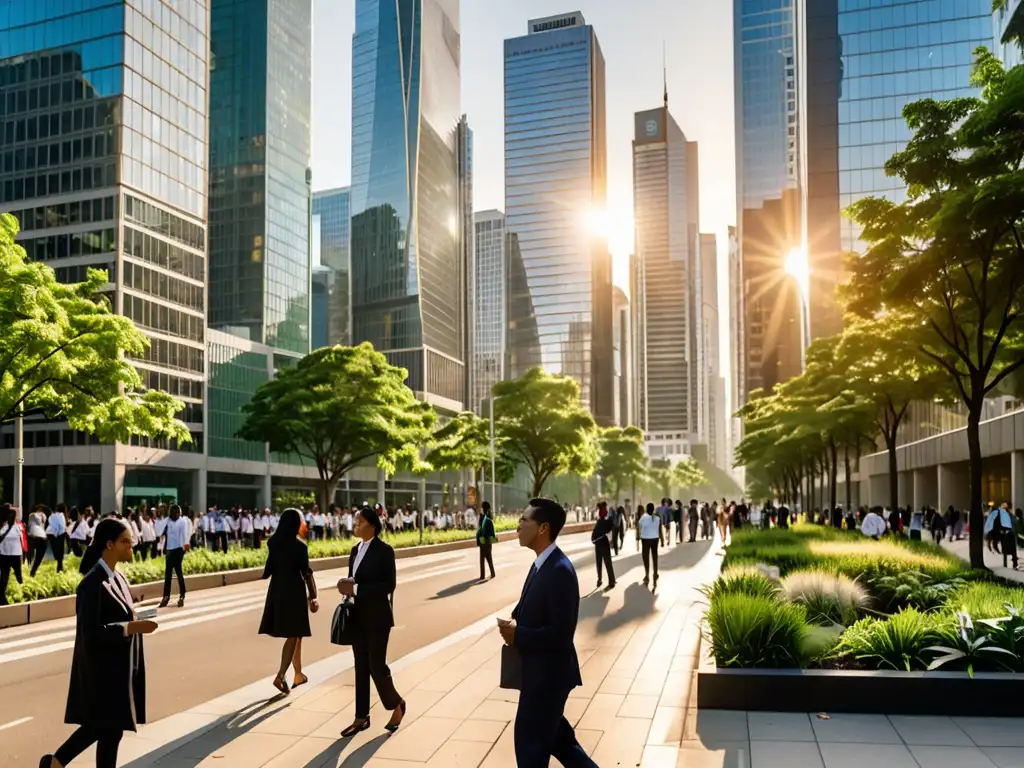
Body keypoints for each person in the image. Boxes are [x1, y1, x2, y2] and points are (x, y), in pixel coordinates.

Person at [40, 518, 158, 768]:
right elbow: (90, 633)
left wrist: (134, 617)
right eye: (125, 542)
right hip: (102, 672)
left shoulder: (119, 578)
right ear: (109, 544)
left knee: (107, 731)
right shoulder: (91, 583)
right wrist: (130, 627)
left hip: (118, 669)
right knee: (105, 729)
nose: (131, 547)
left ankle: (55, 762)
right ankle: (55, 762)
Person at [497, 498, 596, 768]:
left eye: (524, 520)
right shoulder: (541, 564)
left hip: (547, 680)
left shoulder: (559, 570)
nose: (518, 525)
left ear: (543, 528)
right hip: (540, 675)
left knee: (529, 749)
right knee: (560, 742)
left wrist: (520, 636)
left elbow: (561, 634)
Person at [337, 507, 406, 737]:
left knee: (376, 665)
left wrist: (357, 588)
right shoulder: (355, 550)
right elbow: (355, 579)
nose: (355, 524)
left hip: (378, 618)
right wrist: (348, 586)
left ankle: (396, 703)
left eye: (360, 521)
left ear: (372, 526)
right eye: (355, 520)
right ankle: (361, 717)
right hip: (358, 616)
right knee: (360, 667)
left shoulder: (384, 551)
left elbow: (389, 585)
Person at [258, 508, 318, 694]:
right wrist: (313, 596)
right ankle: (281, 674)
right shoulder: (300, 547)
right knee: (295, 633)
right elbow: (306, 573)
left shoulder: (273, 543)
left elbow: (268, 570)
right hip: (294, 592)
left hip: (277, 591)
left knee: (296, 634)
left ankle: (297, 673)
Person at [158, 505, 191, 609]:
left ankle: (182, 595)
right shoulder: (168, 521)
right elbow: (161, 532)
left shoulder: (182, 521)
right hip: (169, 550)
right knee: (168, 575)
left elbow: (185, 535)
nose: (176, 514)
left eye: (177, 512)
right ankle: (166, 596)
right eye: (174, 513)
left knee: (178, 572)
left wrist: (185, 547)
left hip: (178, 550)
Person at [0, 504, 24, 606]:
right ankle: (2, 597)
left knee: (5, 576)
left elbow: (21, 540)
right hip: (5, 554)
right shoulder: (5, 527)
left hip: (10, 554)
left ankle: (2, 597)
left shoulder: (17, 526)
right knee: (5, 576)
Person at [590, 501, 616, 590]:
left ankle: (600, 579)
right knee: (608, 562)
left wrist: (594, 540)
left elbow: (593, 536)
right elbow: (612, 525)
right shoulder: (606, 521)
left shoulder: (599, 522)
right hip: (604, 543)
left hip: (598, 544)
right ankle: (611, 581)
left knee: (599, 563)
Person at [638, 502, 664, 586]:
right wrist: (662, 540)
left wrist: (638, 538)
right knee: (654, 556)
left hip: (645, 539)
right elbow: (660, 530)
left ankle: (647, 575)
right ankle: (655, 573)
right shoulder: (657, 518)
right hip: (655, 539)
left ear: (646, 509)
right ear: (653, 510)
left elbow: (639, 527)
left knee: (646, 558)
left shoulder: (643, 517)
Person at [477, 501, 497, 581]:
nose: (480, 509)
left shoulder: (485, 520)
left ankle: (483, 575)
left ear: (483, 508)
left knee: (484, 559)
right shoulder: (486, 519)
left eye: (481, 507)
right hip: (487, 542)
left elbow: (481, 532)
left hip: (484, 541)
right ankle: (491, 573)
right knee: (488, 558)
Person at [27, 505, 49, 576]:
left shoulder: (43, 516)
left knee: (38, 557)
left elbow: (43, 525)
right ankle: (30, 570)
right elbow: (32, 520)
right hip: (35, 537)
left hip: (39, 537)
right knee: (33, 556)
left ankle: (32, 572)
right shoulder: (32, 515)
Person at [46, 504, 68, 572]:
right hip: (60, 535)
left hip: (52, 535)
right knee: (60, 554)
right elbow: (62, 526)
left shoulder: (52, 515)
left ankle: (59, 568)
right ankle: (60, 569)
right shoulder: (61, 515)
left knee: (57, 553)